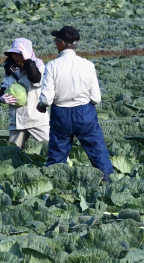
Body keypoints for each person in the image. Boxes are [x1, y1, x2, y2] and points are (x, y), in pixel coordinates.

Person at [37, 26, 112, 179]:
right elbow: (96, 98)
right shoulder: (88, 65)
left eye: (56, 40)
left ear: (62, 43)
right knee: (97, 152)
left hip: (61, 114)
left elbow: (46, 98)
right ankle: (107, 182)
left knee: (57, 155)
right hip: (85, 112)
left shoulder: (52, 66)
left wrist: (41, 106)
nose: (55, 43)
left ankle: (55, 186)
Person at [0, 38, 47, 149]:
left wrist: (28, 61)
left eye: (17, 53)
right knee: (11, 155)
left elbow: (35, 79)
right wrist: (2, 98)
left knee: (54, 149)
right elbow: (3, 89)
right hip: (17, 120)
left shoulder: (38, 66)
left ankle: (68, 165)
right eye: (13, 54)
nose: (14, 56)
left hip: (36, 118)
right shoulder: (11, 69)